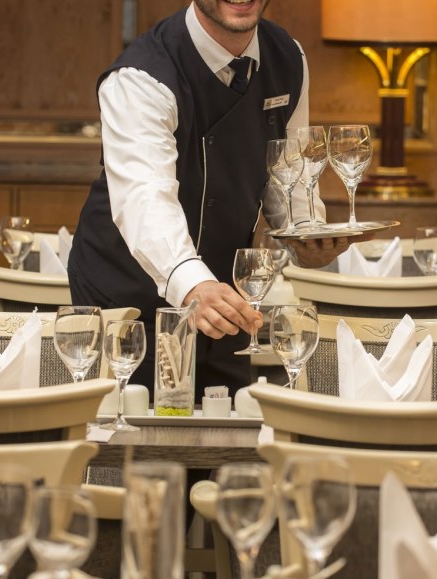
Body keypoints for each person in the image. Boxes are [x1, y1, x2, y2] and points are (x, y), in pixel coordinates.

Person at [68, 0, 356, 396]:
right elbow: (144, 198)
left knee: (227, 443)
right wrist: (193, 285)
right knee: (134, 450)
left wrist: (305, 237)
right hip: (129, 304)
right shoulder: (140, 77)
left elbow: (287, 172)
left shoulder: (289, 57)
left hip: (223, 303)